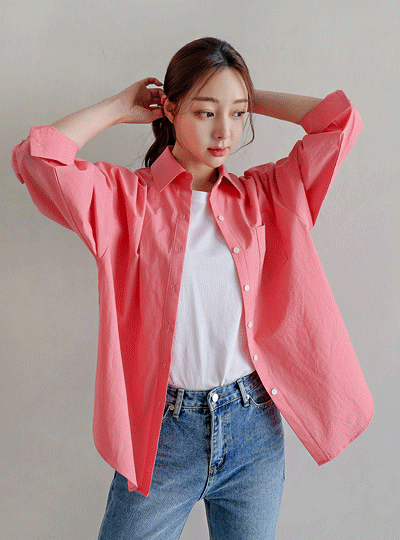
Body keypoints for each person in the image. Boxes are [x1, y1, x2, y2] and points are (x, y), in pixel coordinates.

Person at [11, 37, 374, 540]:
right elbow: (38, 159)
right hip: (164, 433)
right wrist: (119, 107)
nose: (225, 132)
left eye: (237, 114)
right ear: (171, 109)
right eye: (205, 112)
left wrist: (243, 94)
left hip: (253, 428)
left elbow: (339, 123)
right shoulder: (126, 201)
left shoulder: (267, 196)